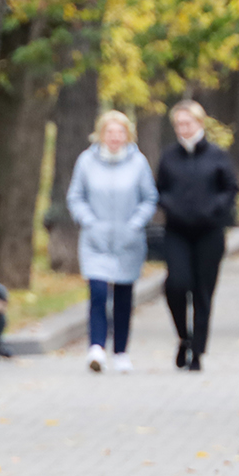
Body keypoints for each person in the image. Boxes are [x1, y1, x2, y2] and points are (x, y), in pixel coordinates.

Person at [65, 110, 158, 374]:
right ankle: (96, 347)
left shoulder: (138, 163)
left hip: (128, 240)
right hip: (96, 239)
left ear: (127, 135)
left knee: (123, 297)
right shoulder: (86, 161)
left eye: (120, 133)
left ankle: (121, 351)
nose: (115, 138)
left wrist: (135, 224)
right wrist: (88, 220)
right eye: (110, 132)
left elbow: (149, 198)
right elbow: (76, 196)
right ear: (101, 134)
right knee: (97, 292)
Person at [156, 100, 237, 372]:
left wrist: (215, 209)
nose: (183, 129)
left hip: (209, 232)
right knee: (177, 284)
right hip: (178, 231)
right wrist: (170, 205)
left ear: (200, 124)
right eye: (178, 124)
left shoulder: (216, 155)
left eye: (187, 123)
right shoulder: (169, 156)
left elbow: (229, 188)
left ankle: (198, 351)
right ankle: (184, 336)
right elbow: (161, 188)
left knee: (203, 290)